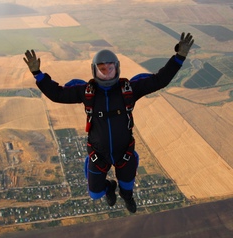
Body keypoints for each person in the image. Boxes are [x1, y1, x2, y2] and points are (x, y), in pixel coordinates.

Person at [23, 32, 194, 213]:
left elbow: (160, 80)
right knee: (95, 194)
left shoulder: (129, 89)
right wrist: (38, 74)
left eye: (110, 68)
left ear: (117, 68)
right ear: (94, 70)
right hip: (99, 154)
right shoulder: (86, 91)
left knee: (127, 187)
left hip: (124, 152)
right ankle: (109, 187)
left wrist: (179, 57)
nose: (106, 73)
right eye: (102, 69)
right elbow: (57, 94)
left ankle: (126, 197)